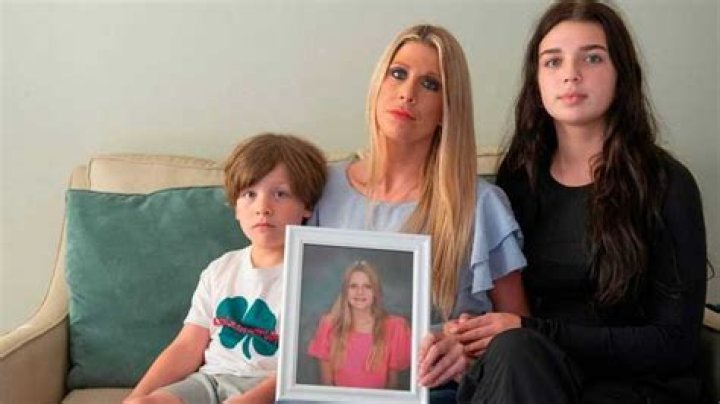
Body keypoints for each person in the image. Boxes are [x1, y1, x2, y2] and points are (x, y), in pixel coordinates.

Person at [453, 1, 708, 403]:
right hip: (536, 376)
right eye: (553, 61)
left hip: (638, 388)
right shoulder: (519, 179)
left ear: (621, 73)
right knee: (513, 353)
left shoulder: (667, 183)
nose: (570, 74)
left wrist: (534, 330)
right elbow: (506, 312)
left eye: (592, 58)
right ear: (536, 81)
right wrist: (466, 337)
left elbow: (675, 343)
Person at [310, 24, 529, 398]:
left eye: (430, 84)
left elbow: (520, 332)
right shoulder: (321, 187)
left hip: (438, 391)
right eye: (398, 74)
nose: (407, 93)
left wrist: (467, 352)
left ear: (448, 108)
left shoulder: (481, 203)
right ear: (378, 85)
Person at [124, 133, 327, 404]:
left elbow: (305, 365)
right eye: (250, 194)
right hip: (209, 381)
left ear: (307, 206)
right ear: (236, 208)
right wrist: (136, 397)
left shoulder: (314, 278)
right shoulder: (221, 269)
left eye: (280, 194)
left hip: (271, 389)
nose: (263, 208)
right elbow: (187, 346)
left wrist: (252, 399)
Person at [308, 260, 412, 389]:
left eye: (367, 286)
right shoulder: (329, 325)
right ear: (345, 291)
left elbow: (392, 386)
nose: (360, 292)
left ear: (375, 292)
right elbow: (327, 385)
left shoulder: (394, 327)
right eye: (353, 286)